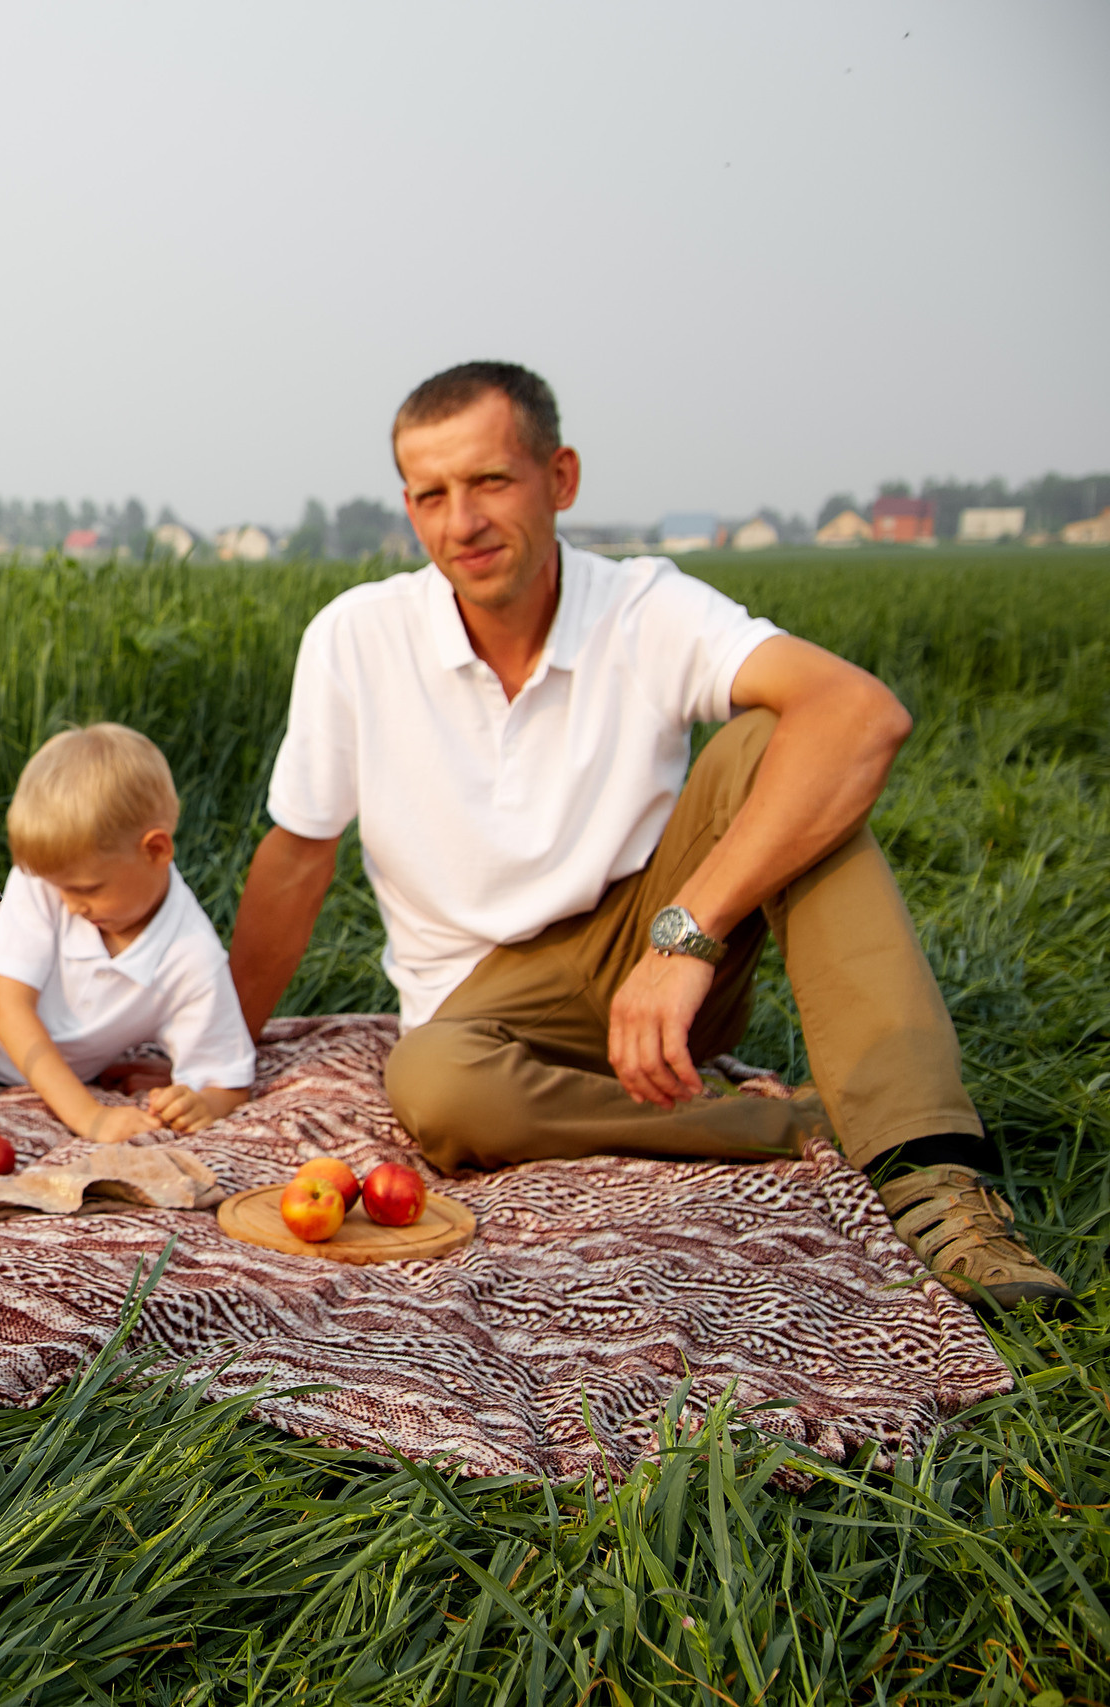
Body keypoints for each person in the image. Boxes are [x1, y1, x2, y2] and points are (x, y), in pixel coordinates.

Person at [228, 360, 1069, 1312]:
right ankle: (794, 1125)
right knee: (438, 1087)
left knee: (783, 739)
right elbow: (297, 857)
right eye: (432, 494)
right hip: (475, 1012)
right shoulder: (356, 638)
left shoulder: (642, 607)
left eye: (491, 481)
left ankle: (931, 1168)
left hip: (656, 954)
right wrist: (222, 1056)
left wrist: (681, 938)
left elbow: (862, 715)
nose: (462, 522)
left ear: (561, 478)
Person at [0, 722, 256, 1137]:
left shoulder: (192, 958)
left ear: (156, 850)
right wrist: (91, 1116)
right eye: (61, 888)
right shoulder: (50, 882)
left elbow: (227, 1080)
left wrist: (201, 1104)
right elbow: (10, 1008)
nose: (71, 904)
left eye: (88, 889)